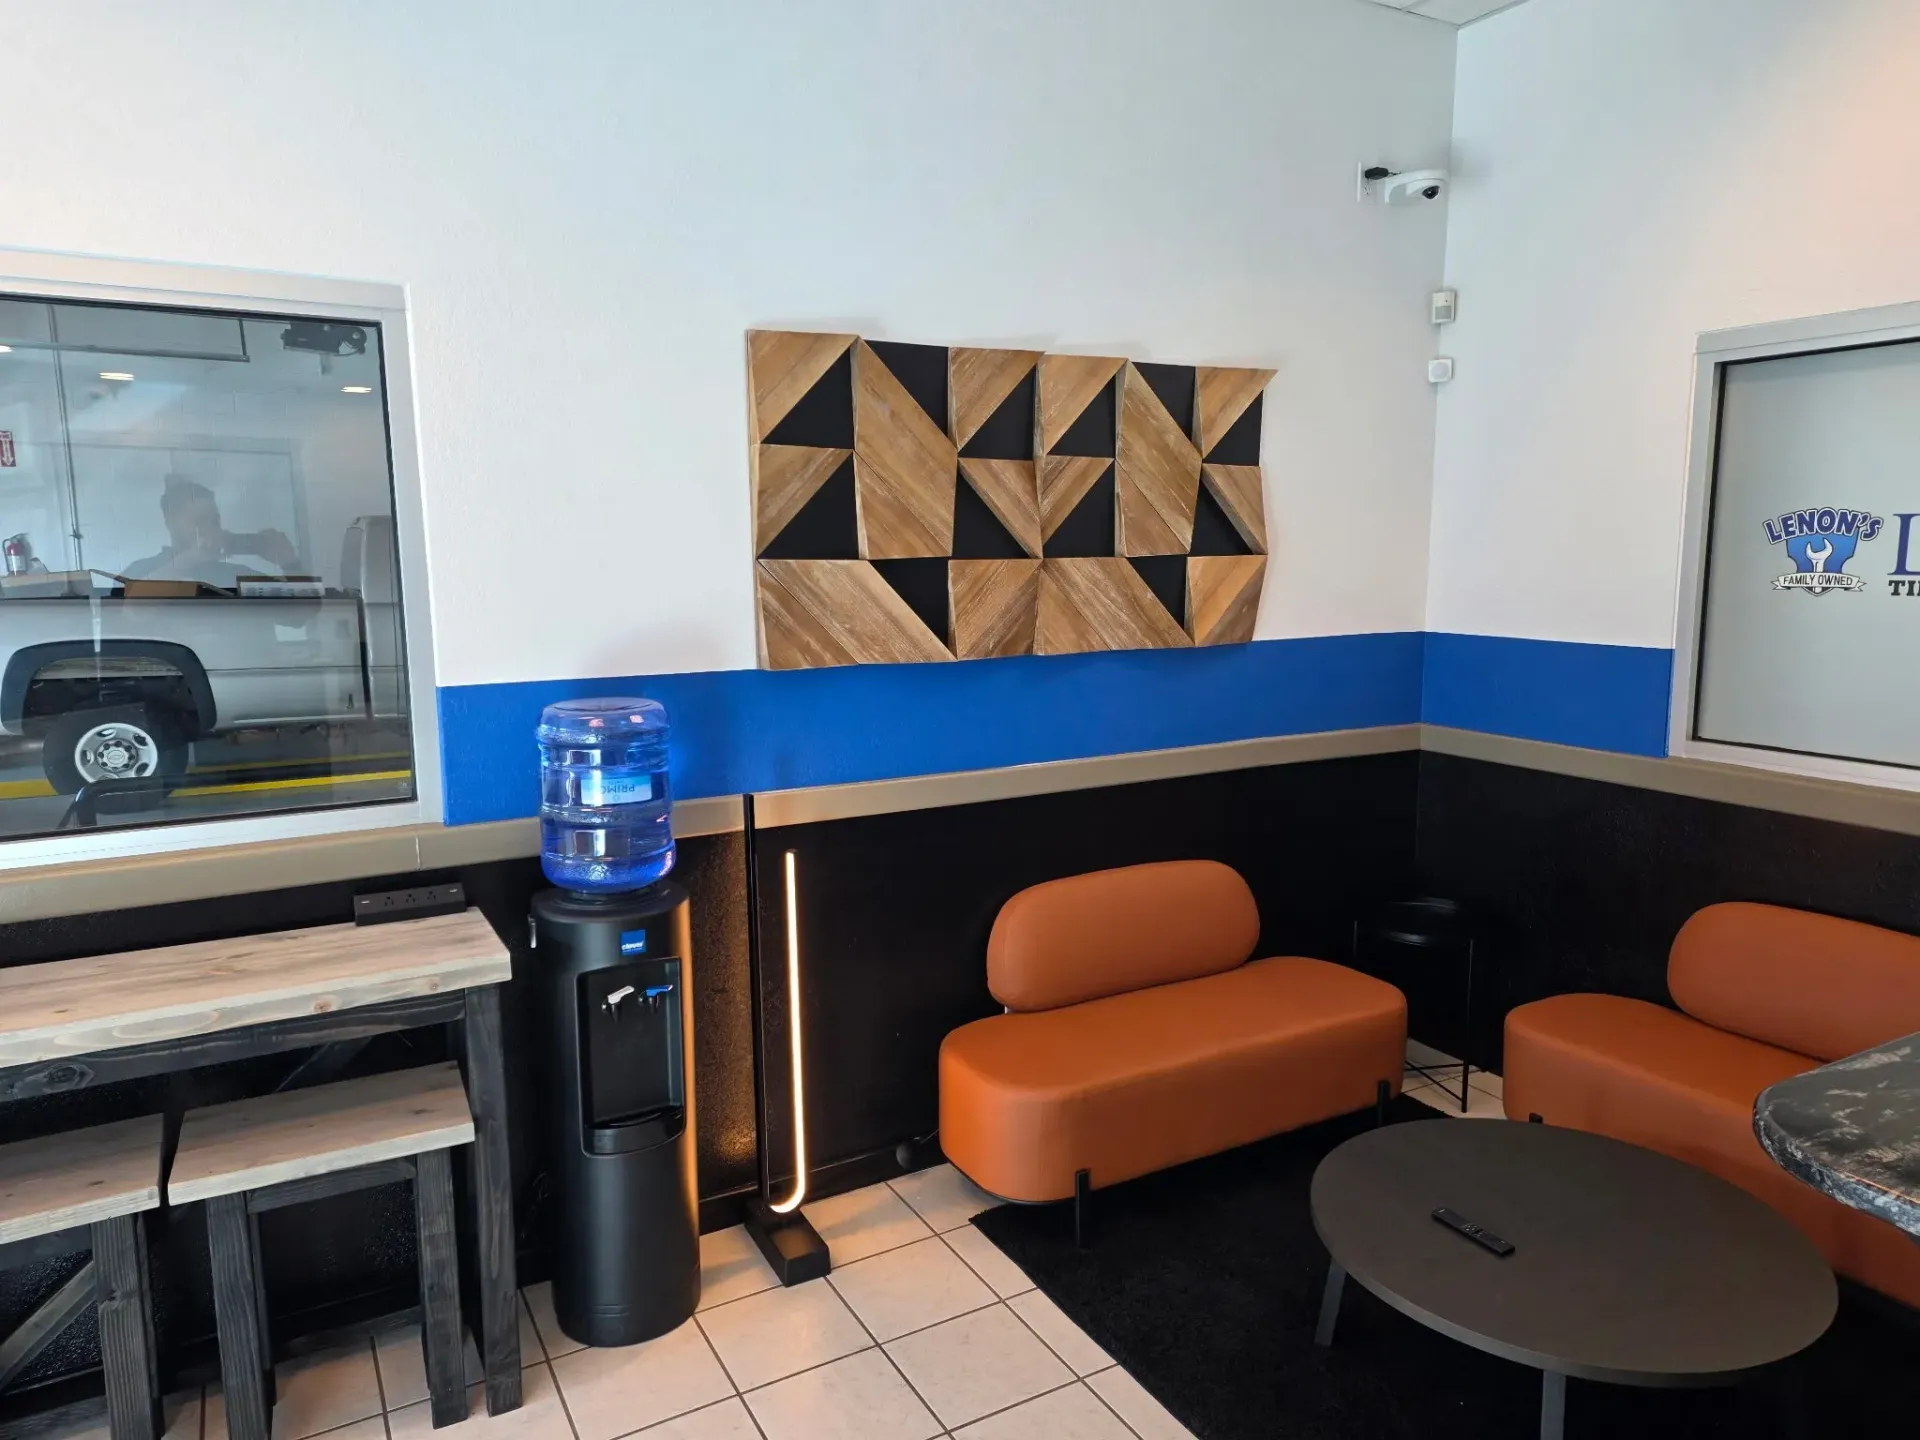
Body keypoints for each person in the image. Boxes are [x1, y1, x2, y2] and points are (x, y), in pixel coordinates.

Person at [121, 475, 299, 588]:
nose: (211, 528)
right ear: (171, 523)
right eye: (199, 521)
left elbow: (301, 615)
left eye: (215, 521)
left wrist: (289, 563)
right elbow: (128, 614)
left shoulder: (237, 576)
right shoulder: (139, 573)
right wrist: (188, 561)